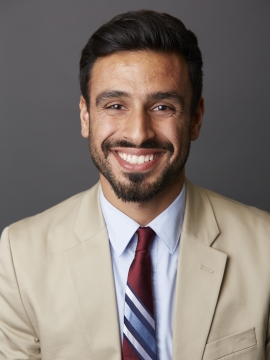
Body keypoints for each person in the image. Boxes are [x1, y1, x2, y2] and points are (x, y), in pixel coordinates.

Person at [0, 9, 269, 360]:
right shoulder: (20, 256)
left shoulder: (265, 250)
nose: (138, 132)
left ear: (195, 119)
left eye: (162, 107)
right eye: (115, 105)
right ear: (86, 116)